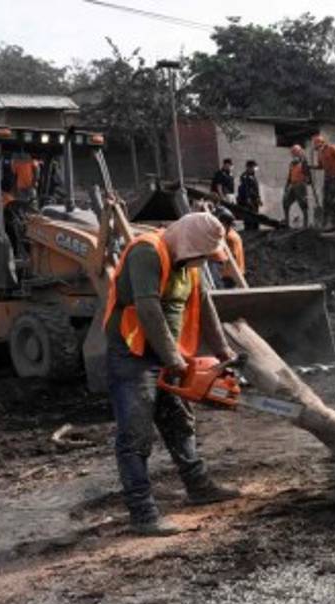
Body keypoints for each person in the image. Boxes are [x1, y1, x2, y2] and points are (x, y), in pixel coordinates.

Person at [102, 211, 240, 535]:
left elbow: (205, 304)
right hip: (132, 354)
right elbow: (148, 308)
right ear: (189, 244)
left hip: (168, 353)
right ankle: (143, 513)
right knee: (136, 433)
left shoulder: (189, 263)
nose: (203, 262)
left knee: (179, 420)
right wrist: (172, 357)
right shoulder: (147, 252)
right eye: (202, 256)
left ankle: (199, 486)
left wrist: (223, 351)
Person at [311, 134, 335, 230]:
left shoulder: (332, 148)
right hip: (327, 178)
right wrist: (310, 167)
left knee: (330, 199)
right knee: (325, 201)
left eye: (319, 146)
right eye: (317, 148)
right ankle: (328, 222)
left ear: (323, 144)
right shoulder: (320, 154)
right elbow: (320, 167)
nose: (318, 149)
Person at [209, 206, 247, 289]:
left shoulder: (229, 237)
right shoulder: (231, 234)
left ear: (225, 223)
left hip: (230, 276)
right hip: (233, 274)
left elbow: (230, 257)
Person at [283, 145, 311, 227]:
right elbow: (289, 175)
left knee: (303, 205)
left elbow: (308, 176)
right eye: (293, 154)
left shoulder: (304, 162)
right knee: (285, 202)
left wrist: (306, 181)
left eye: (295, 153)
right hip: (292, 185)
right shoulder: (292, 164)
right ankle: (287, 223)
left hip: (300, 185)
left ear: (299, 153)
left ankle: (305, 225)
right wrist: (287, 186)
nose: (294, 155)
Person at [237, 159, 262, 230]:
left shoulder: (253, 176)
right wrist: (248, 199)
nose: (255, 169)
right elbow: (246, 188)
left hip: (254, 200)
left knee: (255, 217)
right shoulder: (244, 176)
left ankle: (255, 230)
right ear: (249, 167)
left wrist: (258, 198)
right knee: (249, 218)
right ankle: (249, 231)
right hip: (247, 201)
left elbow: (256, 189)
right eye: (254, 167)